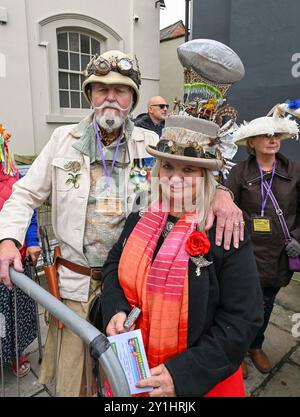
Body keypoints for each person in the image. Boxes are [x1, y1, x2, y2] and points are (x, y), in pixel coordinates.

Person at [0, 50, 243, 397]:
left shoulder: (152, 142)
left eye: (121, 90)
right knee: (75, 383)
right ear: (90, 96)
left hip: (134, 291)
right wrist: (7, 239)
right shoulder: (62, 141)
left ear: (133, 99)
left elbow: (190, 168)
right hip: (75, 289)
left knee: (129, 383)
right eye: (101, 89)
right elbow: (23, 195)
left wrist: (221, 193)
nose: (111, 97)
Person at [101, 115, 263, 397]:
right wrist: (115, 307)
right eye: (167, 166)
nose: (174, 179)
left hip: (197, 382)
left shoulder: (223, 230)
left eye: (188, 169)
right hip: (134, 367)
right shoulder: (141, 214)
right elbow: (113, 263)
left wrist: (184, 374)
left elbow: (243, 318)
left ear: (205, 176)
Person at [226, 104, 300, 378]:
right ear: (252, 142)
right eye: (267, 135)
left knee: (266, 304)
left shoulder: (295, 170)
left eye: (277, 135)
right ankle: (236, 350)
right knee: (239, 305)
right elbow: (228, 209)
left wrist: (298, 240)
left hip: (280, 255)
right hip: (245, 253)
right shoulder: (239, 173)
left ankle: (256, 345)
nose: (273, 140)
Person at [0, 125, 40, 377]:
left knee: (16, 312)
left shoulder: (15, 177)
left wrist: (33, 241)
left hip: (16, 260)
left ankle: (16, 354)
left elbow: (30, 212)